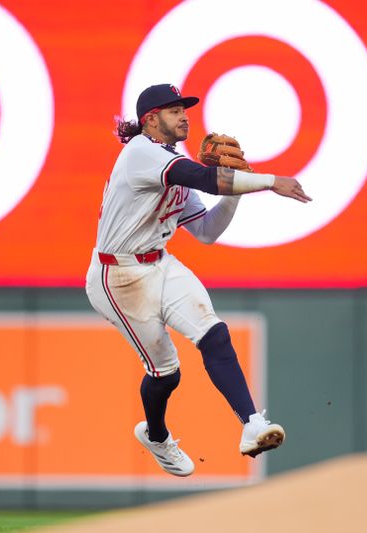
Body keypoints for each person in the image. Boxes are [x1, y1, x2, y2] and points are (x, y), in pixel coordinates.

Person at [85, 83, 311, 477]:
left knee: (215, 333)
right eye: (174, 110)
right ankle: (156, 436)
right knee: (166, 373)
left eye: (184, 109)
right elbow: (204, 178)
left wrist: (236, 192)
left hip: (160, 263)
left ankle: (252, 424)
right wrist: (270, 181)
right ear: (151, 120)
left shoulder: (168, 160)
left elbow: (206, 230)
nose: (185, 116)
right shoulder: (140, 153)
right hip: (116, 275)